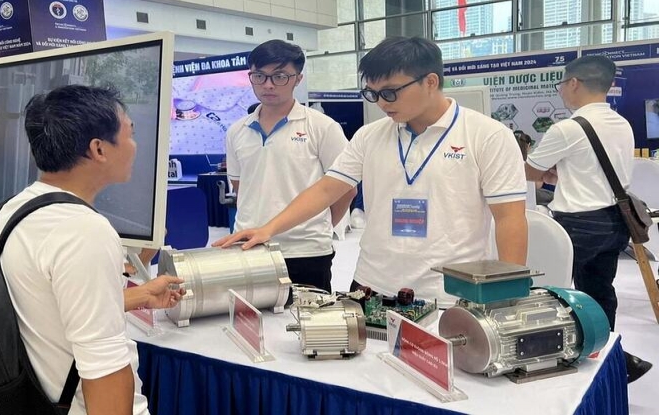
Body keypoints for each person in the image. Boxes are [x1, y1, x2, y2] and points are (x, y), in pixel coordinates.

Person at [217, 36, 527, 305]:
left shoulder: (487, 136)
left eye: (390, 92)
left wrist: (508, 296)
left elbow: (509, 218)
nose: (381, 103)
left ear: (430, 82)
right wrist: (268, 229)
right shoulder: (370, 135)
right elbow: (327, 189)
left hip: (448, 291)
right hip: (371, 285)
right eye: (372, 93)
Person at [0, 85, 185, 415]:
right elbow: (103, 369)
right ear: (99, 149)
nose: (135, 146)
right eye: (130, 134)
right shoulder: (83, 230)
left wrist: (139, 296)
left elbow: (48, 310)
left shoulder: (11, 211)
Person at [525, 55, 652, 383]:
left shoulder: (569, 128)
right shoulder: (621, 123)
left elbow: (530, 171)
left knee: (553, 292)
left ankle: (554, 355)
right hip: (614, 222)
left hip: (578, 225)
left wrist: (545, 173)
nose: (561, 91)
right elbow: (593, 171)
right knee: (599, 290)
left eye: (561, 84)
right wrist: (559, 174)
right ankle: (606, 354)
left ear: (574, 83)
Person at [225, 39, 356, 296]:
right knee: (250, 317)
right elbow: (241, 189)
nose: (268, 84)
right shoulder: (236, 131)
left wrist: (318, 226)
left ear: (298, 79)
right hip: (250, 248)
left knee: (308, 318)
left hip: (305, 251)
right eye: (259, 76)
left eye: (280, 76)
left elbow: (346, 190)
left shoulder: (322, 127)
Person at [513, 130, 554, 206]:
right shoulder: (530, 163)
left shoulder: (503, 163)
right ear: (528, 146)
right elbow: (537, 185)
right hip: (530, 198)